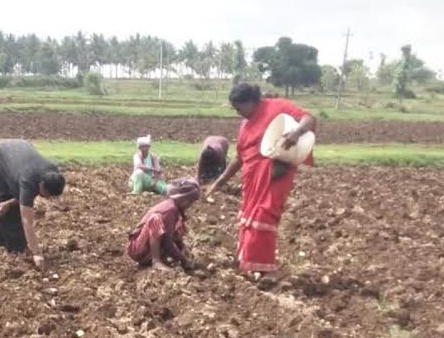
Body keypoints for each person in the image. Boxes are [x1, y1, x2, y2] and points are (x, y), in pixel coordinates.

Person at [205, 82, 316, 275]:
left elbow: (309, 118)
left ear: (251, 100)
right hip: (252, 179)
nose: (238, 113)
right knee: (249, 218)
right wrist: (219, 182)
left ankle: (261, 268)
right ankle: (247, 262)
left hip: (275, 174)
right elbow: (240, 157)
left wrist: (297, 133)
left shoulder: (277, 106)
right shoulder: (245, 125)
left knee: (263, 216)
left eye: (240, 108)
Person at [0, 139, 66, 269]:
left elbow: (26, 197)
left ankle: (19, 248)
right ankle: (4, 247)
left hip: (19, 155)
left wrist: (10, 203)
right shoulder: (29, 180)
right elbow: (27, 221)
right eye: (47, 194)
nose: (47, 198)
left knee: (12, 207)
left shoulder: (53, 172)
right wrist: (37, 253)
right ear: (41, 184)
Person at [126, 178, 201, 272]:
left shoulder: (174, 208)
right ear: (183, 197)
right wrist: (184, 260)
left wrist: (183, 248)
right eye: (190, 201)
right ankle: (156, 261)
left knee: (179, 227)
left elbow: (171, 234)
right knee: (155, 219)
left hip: (147, 248)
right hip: (138, 250)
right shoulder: (170, 210)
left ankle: (159, 257)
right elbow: (167, 242)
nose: (190, 205)